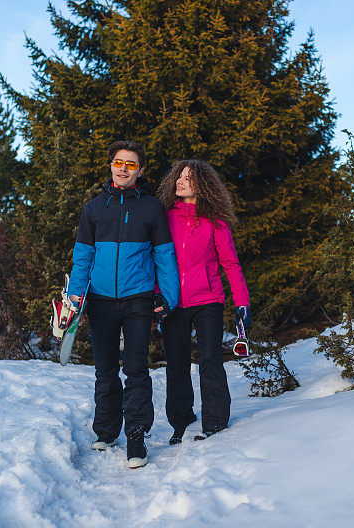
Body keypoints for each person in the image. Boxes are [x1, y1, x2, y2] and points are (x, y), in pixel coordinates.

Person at [66, 140, 179, 469]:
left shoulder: (151, 208)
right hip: (100, 301)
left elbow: (164, 256)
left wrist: (167, 296)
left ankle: (136, 436)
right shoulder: (94, 208)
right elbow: (82, 257)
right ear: (111, 166)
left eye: (131, 164)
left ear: (140, 170)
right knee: (104, 369)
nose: (124, 168)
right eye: (119, 162)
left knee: (136, 369)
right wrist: (76, 294)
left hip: (138, 301)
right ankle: (105, 430)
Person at [155, 160, 250, 445]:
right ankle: (181, 420)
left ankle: (215, 421)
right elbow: (156, 260)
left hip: (208, 299)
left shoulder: (216, 221)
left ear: (203, 185)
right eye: (179, 177)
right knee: (177, 363)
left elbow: (231, 264)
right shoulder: (165, 217)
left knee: (209, 359)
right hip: (173, 301)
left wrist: (242, 304)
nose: (180, 181)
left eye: (188, 178)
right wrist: (158, 294)